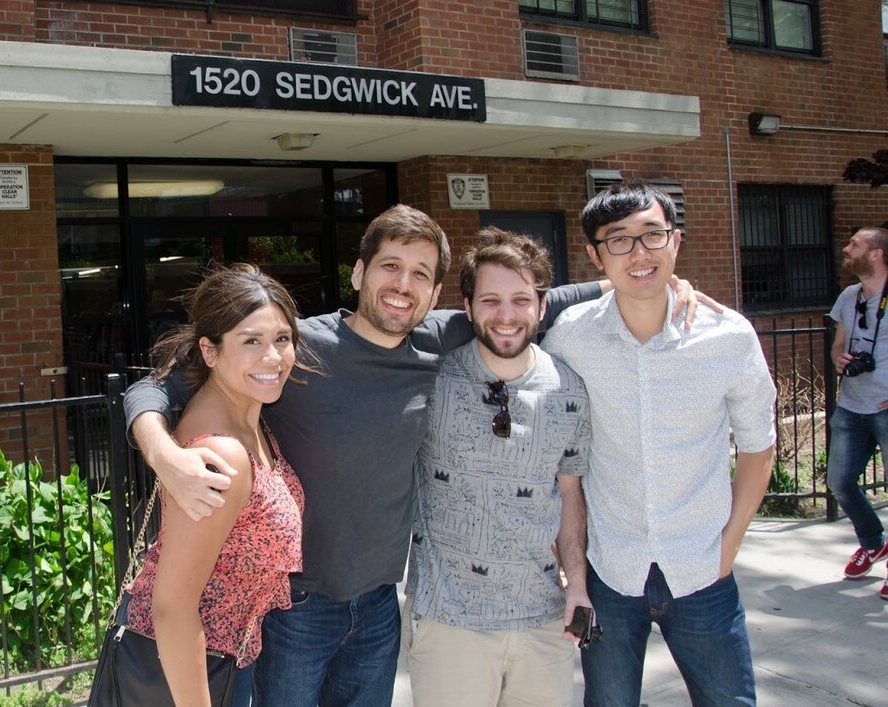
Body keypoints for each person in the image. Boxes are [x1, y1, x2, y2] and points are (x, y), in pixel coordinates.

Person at [125, 204, 703, 706]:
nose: (403, 285)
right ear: (359, 272)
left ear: (435, 293)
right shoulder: (290, 347)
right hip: (296, 609)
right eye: (391, 267)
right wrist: (164, 454)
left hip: (379, 607)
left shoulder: (442, 337)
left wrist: (643, 281)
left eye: (421, 275)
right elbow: (157, 386)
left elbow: (531, 299)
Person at [541, 180, 776, 706]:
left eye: (653, 235)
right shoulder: (570, 338)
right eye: (618, 240)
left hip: (702, 569)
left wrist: (729, 545)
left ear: (676, 241)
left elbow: (760, 449)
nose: (639, 253)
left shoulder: (728, 336)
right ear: (594, 254)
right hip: (610, 568)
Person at [405, 228, 591, 707]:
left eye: (520, 300)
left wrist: (579, 586)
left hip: (543, 622)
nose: (506, 316)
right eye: (490, 300)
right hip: (450, 625)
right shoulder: (432, 380)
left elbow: (569, 493)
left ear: (541, 306)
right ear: (466, 308)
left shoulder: (570, 390)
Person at [121, 263, 315, 706]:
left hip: (224, 663)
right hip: (186, 674)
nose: (273, 357)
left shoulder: (251, 422)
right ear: (209, 351)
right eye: (251, 341)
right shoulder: (223, 453)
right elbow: (171, 608)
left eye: (281, 339)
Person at [826, 226, 888, 593]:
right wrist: (839, 359)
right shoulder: (849, 297)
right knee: (840, 483)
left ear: (877, 254)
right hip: (852, 405)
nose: (846, 249)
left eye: (854, 245)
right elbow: (838, 345)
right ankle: (872, 541)